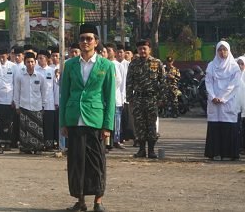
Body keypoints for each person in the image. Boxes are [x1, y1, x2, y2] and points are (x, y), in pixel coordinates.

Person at [59, 23, 115, 212]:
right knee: (76, 162)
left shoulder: (106, 66)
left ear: (96, 42)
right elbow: (64, 95)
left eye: (89, 39)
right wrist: (63, 122)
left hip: (95, 119)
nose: (85, 42)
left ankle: (98, 201)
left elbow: (110, 98)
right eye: (82, 39)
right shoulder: (70, 65)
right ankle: (80, 200)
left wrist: (108, 126)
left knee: (96, 162)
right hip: (74, 118)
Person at [126, 40, 165, 159]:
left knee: (151, 125)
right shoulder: (133, 64)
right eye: (140, 49)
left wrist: (161, 98)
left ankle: (151, 150)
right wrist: (130, 98)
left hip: (151, 98)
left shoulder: (157, 63)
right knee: (139, 125)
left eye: (144, 49)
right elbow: (129, 82)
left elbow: (163, 81)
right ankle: (141, 150)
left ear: (149, 50)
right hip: (138, 98)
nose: (142, 51)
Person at [204, 41, 242, 160]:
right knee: (215, 126)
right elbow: (208, 82)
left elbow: (233, 85)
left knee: (229, 126)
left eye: (224, 49)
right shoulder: (211, 65)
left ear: (228, 51)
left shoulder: (234, 67)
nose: (222, 52)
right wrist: (213, 97)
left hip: (228, 101)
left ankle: (229, 154)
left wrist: (222, 98)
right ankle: (214, 153)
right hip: (214, 102)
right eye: (220, 50)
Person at [14, 51, 48, 154]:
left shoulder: (40, 76)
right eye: (28, 62)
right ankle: (26, 148)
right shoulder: (20, 76)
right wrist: (17, 106)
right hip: (24, 106)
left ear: (35, 62)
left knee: (37, 129)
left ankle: (38, 148)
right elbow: (17, 92)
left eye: (32, 62)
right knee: (24, 130)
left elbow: (44, 92)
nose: (30, 64)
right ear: (25, 63)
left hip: (37, 106)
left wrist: (43, 105)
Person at [0, 47, 16, 150]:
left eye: (3, 57)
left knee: (7, 122)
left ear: (7, 55)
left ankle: (7, 142)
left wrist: (14, 99)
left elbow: (15, 84)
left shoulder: (13, 66)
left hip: (8, 99)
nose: (1, 59)